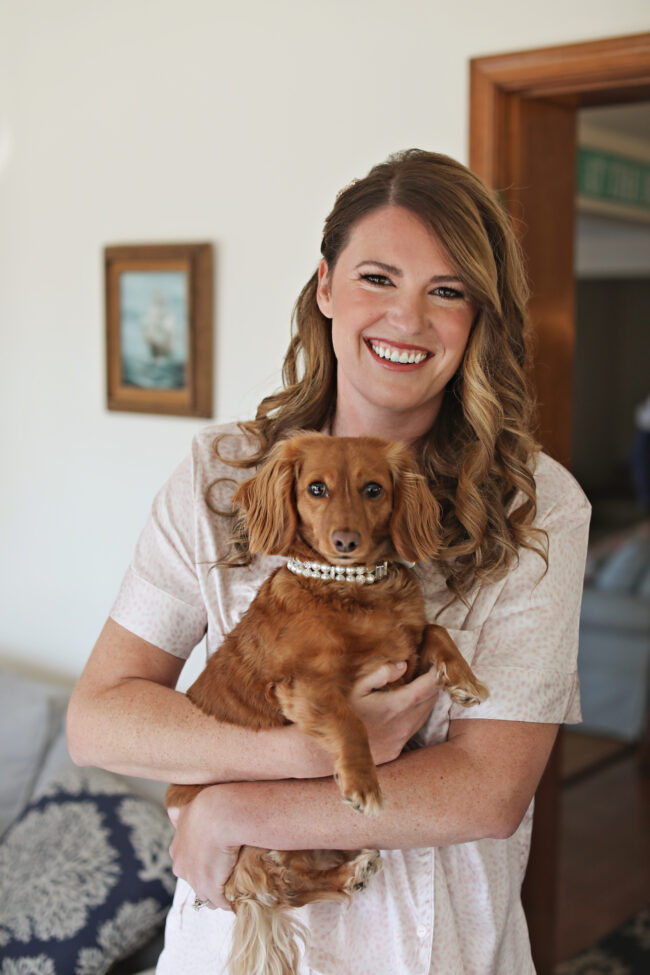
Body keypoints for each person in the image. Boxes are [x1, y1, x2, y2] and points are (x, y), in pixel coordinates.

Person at [67, 149, 591, 974]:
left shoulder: (537, 506)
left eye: (446, 291)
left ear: (478, 318)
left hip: (436, 950)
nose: (407, 319)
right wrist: (304, 752)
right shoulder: (224, 475)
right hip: (235, 946)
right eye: (377, 278)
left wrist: (235, 811)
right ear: (325, 287)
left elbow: (489, 792)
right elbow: (97, 720)